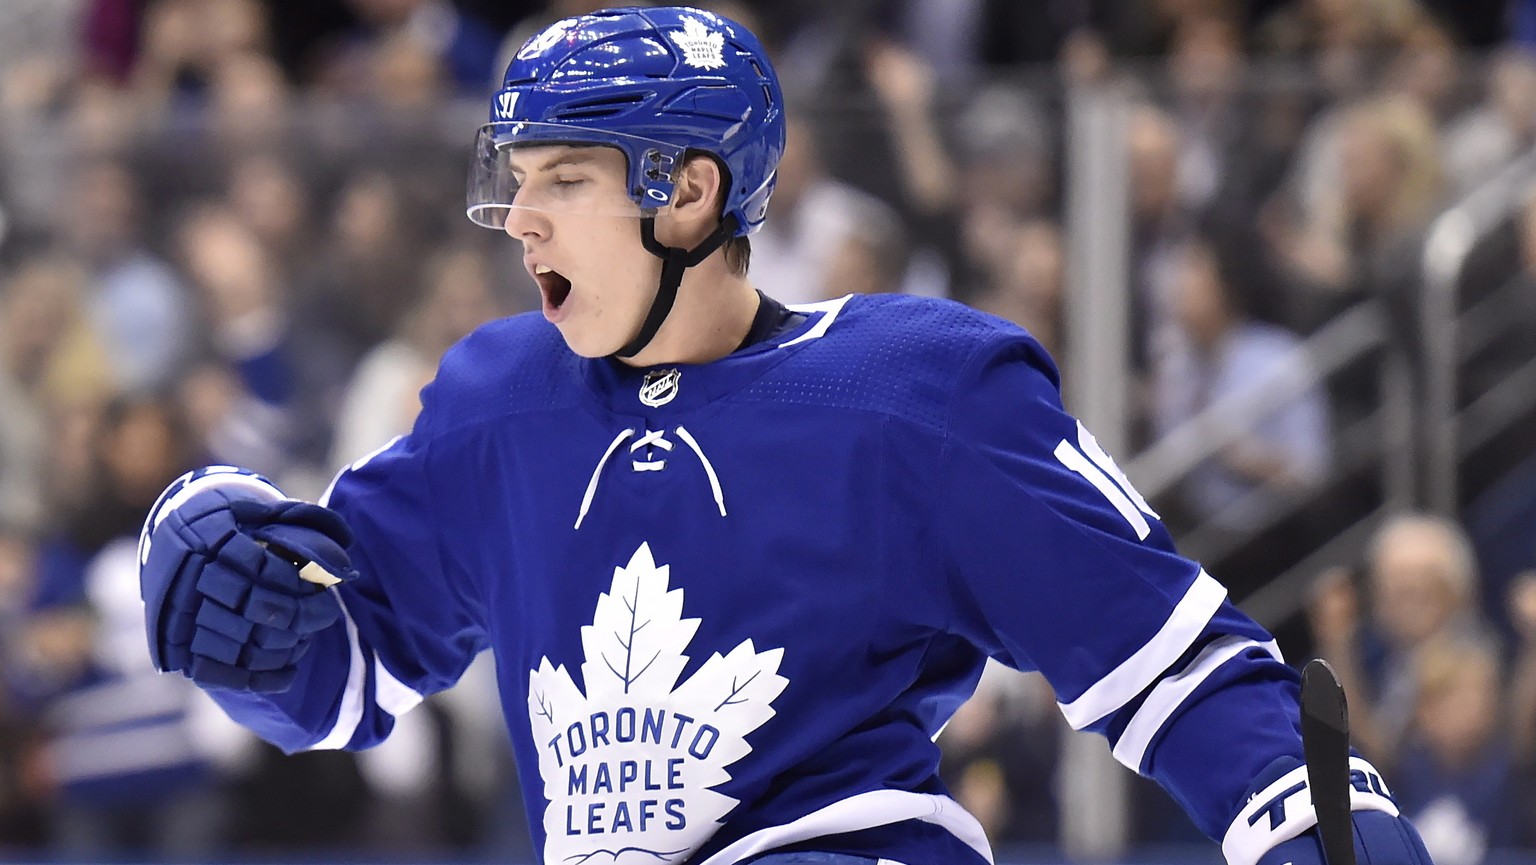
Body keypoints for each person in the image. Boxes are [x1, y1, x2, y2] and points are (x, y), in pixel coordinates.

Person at [136, 8, 1433, 865]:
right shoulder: (495, 405)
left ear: (688, 194)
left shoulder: (916, 396)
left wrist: (1315, 824)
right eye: (514, 180)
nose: (519, 220)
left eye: (565, 182)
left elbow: (1172, 668)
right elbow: (345, 670)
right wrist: (228, 605)